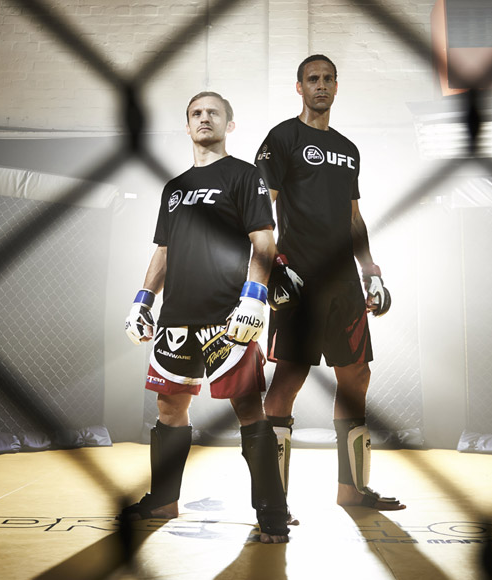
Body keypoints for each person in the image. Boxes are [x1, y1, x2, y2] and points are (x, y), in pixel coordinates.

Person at [120, 91, 289, 543]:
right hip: (175, 317)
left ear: (229, 125)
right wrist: (142, 299)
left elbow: (264, 243)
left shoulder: (245, 175)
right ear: (188, 124)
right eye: (196, 113)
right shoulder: (173, 188)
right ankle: (163, 499)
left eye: (213, 112)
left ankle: (272, 510)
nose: (204, 118)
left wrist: (254, 297)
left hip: (227, 315)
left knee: (248, 408)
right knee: (169, 406)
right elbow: (164, 250)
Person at [254, 55, 406, 512]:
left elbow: (353, 217)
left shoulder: (348, 148)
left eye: (327, 79)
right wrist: (272, 267)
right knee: (288, 379)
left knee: (357, 375)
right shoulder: (282, 138)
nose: (320, 86)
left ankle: (352, 492)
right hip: (297, 277)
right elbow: (262, 211)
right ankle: (272, 500)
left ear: (337, 87)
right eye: (312, 79)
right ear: (298, 87)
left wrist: (371, 270)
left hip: (345, 281)